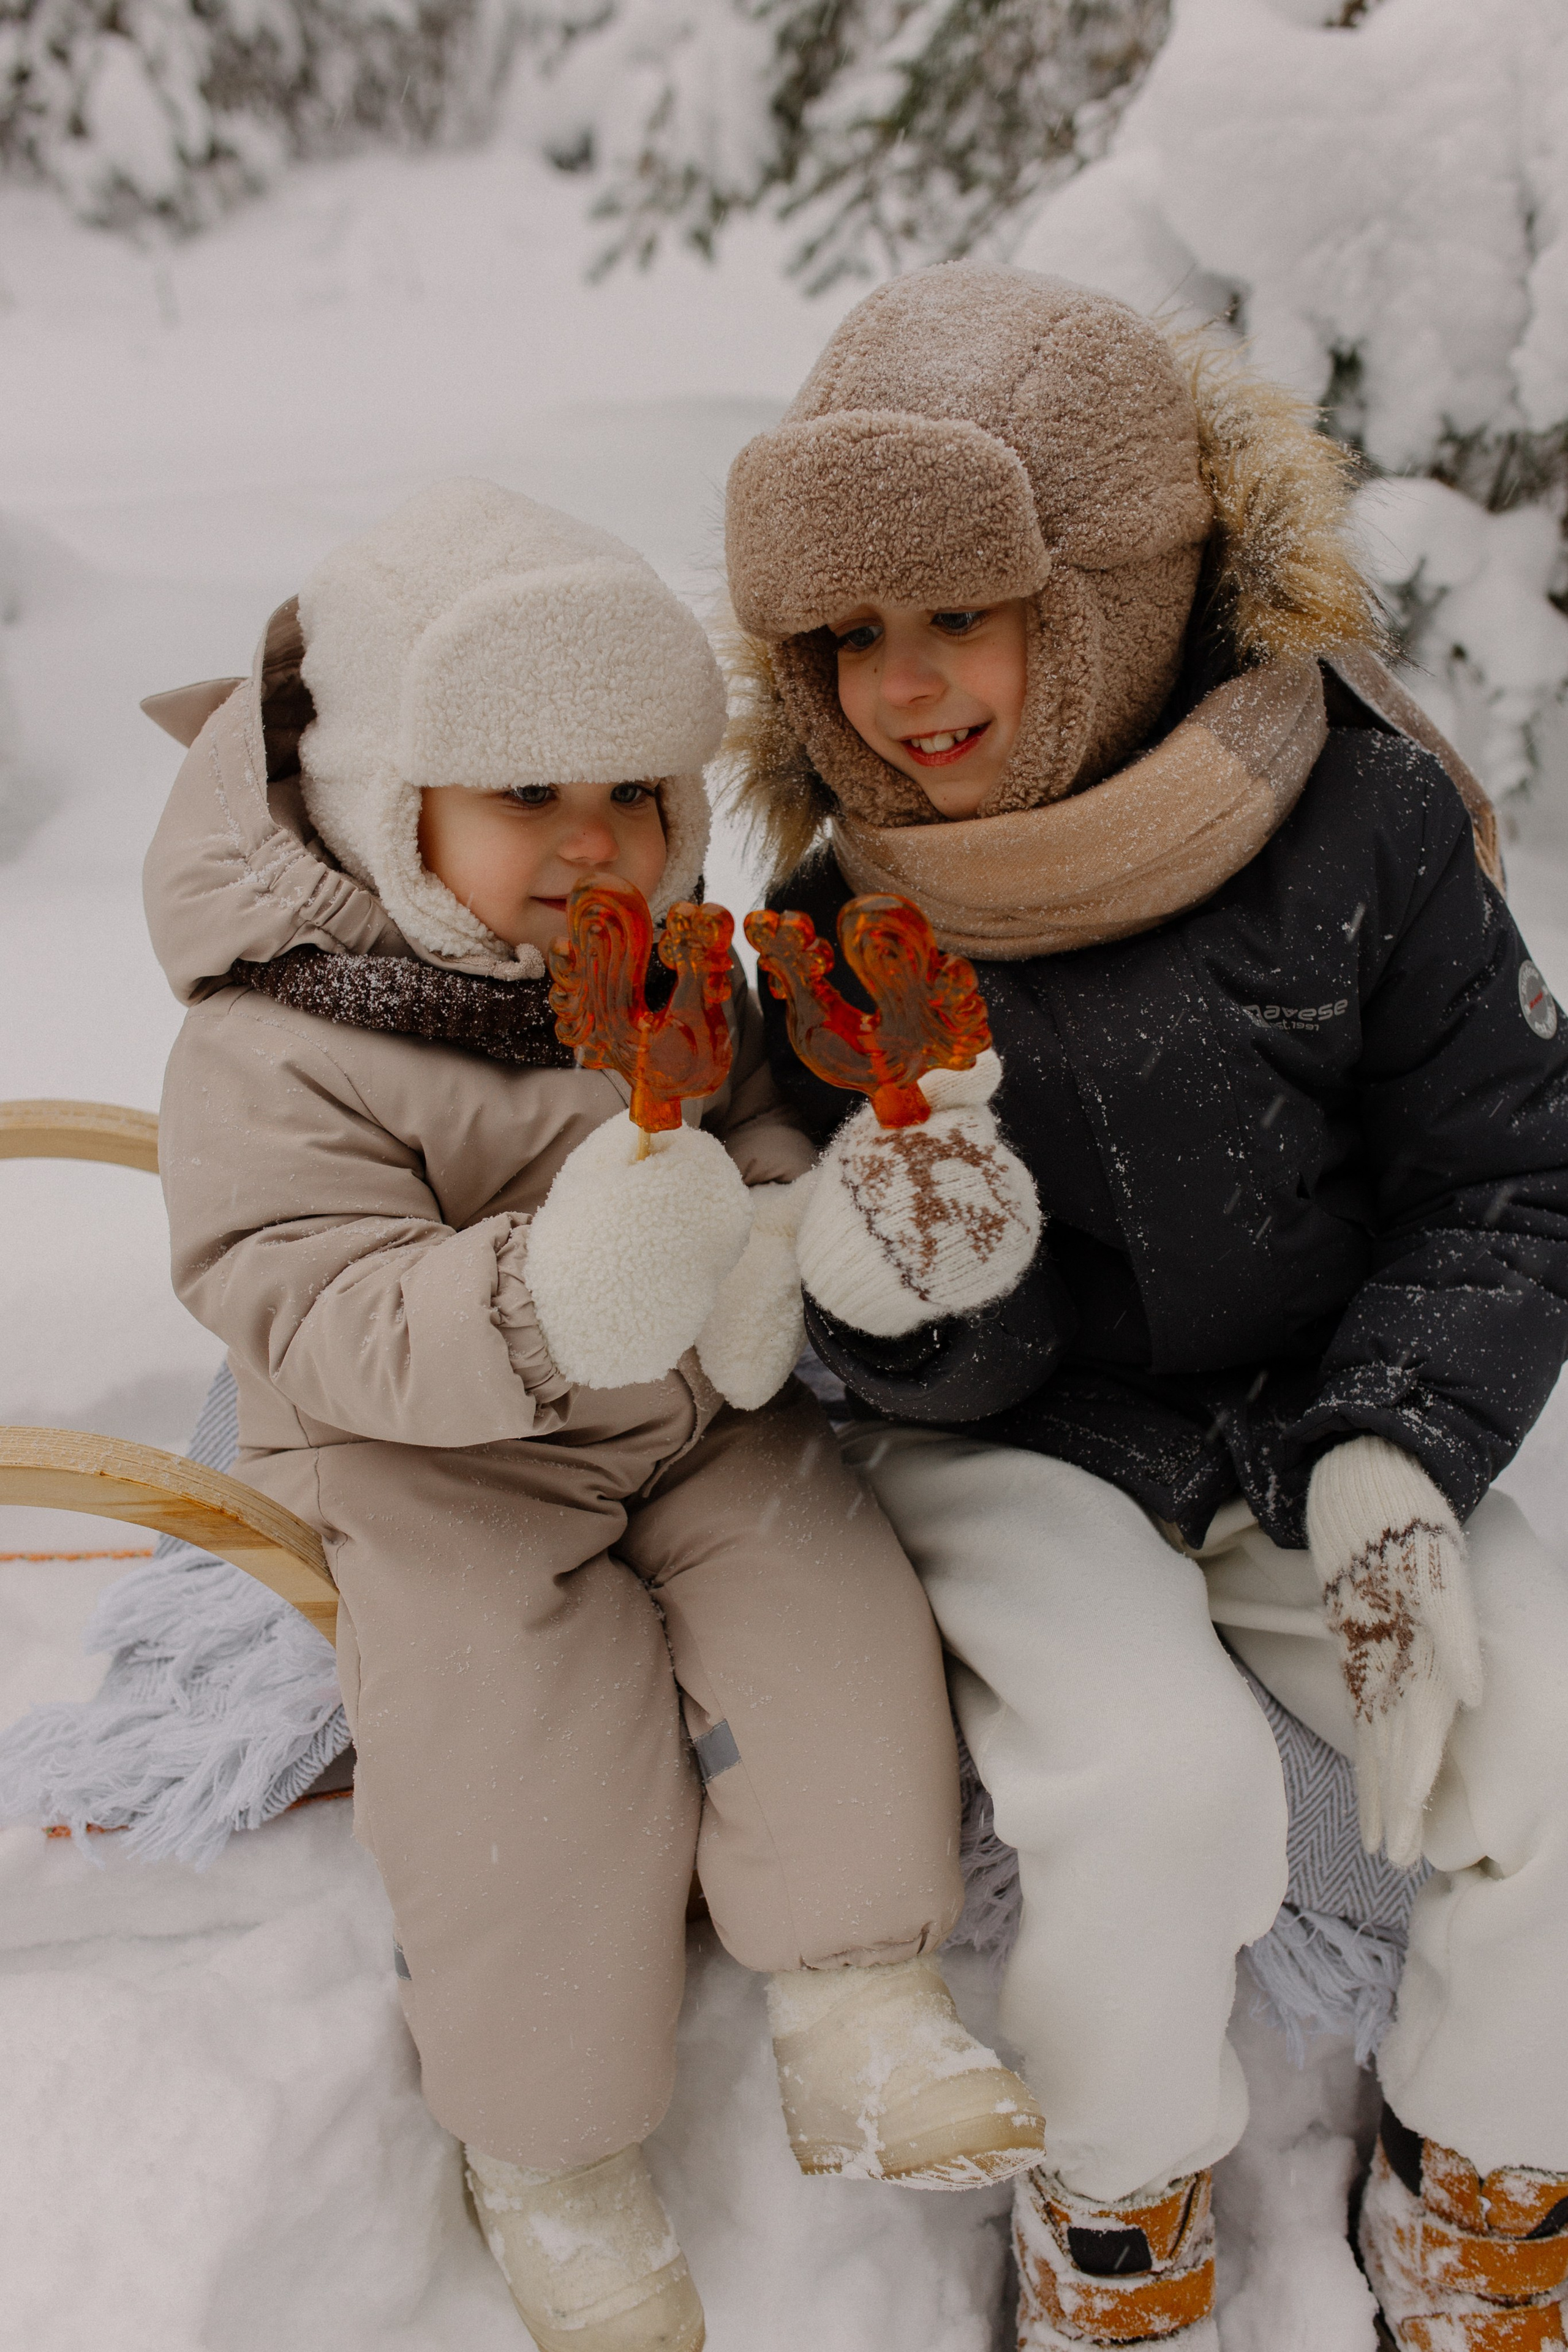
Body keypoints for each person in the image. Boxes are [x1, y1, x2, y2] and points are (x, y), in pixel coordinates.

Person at [723, 265, 1568, 2352]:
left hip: (1325, 1406)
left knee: (1548, 1743)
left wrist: (1400, 1440)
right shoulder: (849, 924)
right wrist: (928, 1293)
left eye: (961, 614)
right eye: (850, 637)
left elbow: (1510, 1163)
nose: (907, 689)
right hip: (1032, 1448)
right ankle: (1117, 2216)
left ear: (1106, 583)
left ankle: (1488, 2168)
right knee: (1152, 1788)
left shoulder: (1350, 812)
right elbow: (859, 1337)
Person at [141, 478, 1049, 2352]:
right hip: (428, 1448)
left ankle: (861, 1996)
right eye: (526, 798)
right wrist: (544, 1294)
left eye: (635, 796)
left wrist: (815, 1227)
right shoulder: (280, 1036)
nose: (596, 846)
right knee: (512, 1735)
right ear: (392, 808)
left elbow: (748, 1136)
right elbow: (304, 1293)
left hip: (682, 1410)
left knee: (827, 1595)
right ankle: (552, 2158)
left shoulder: (672, 968)